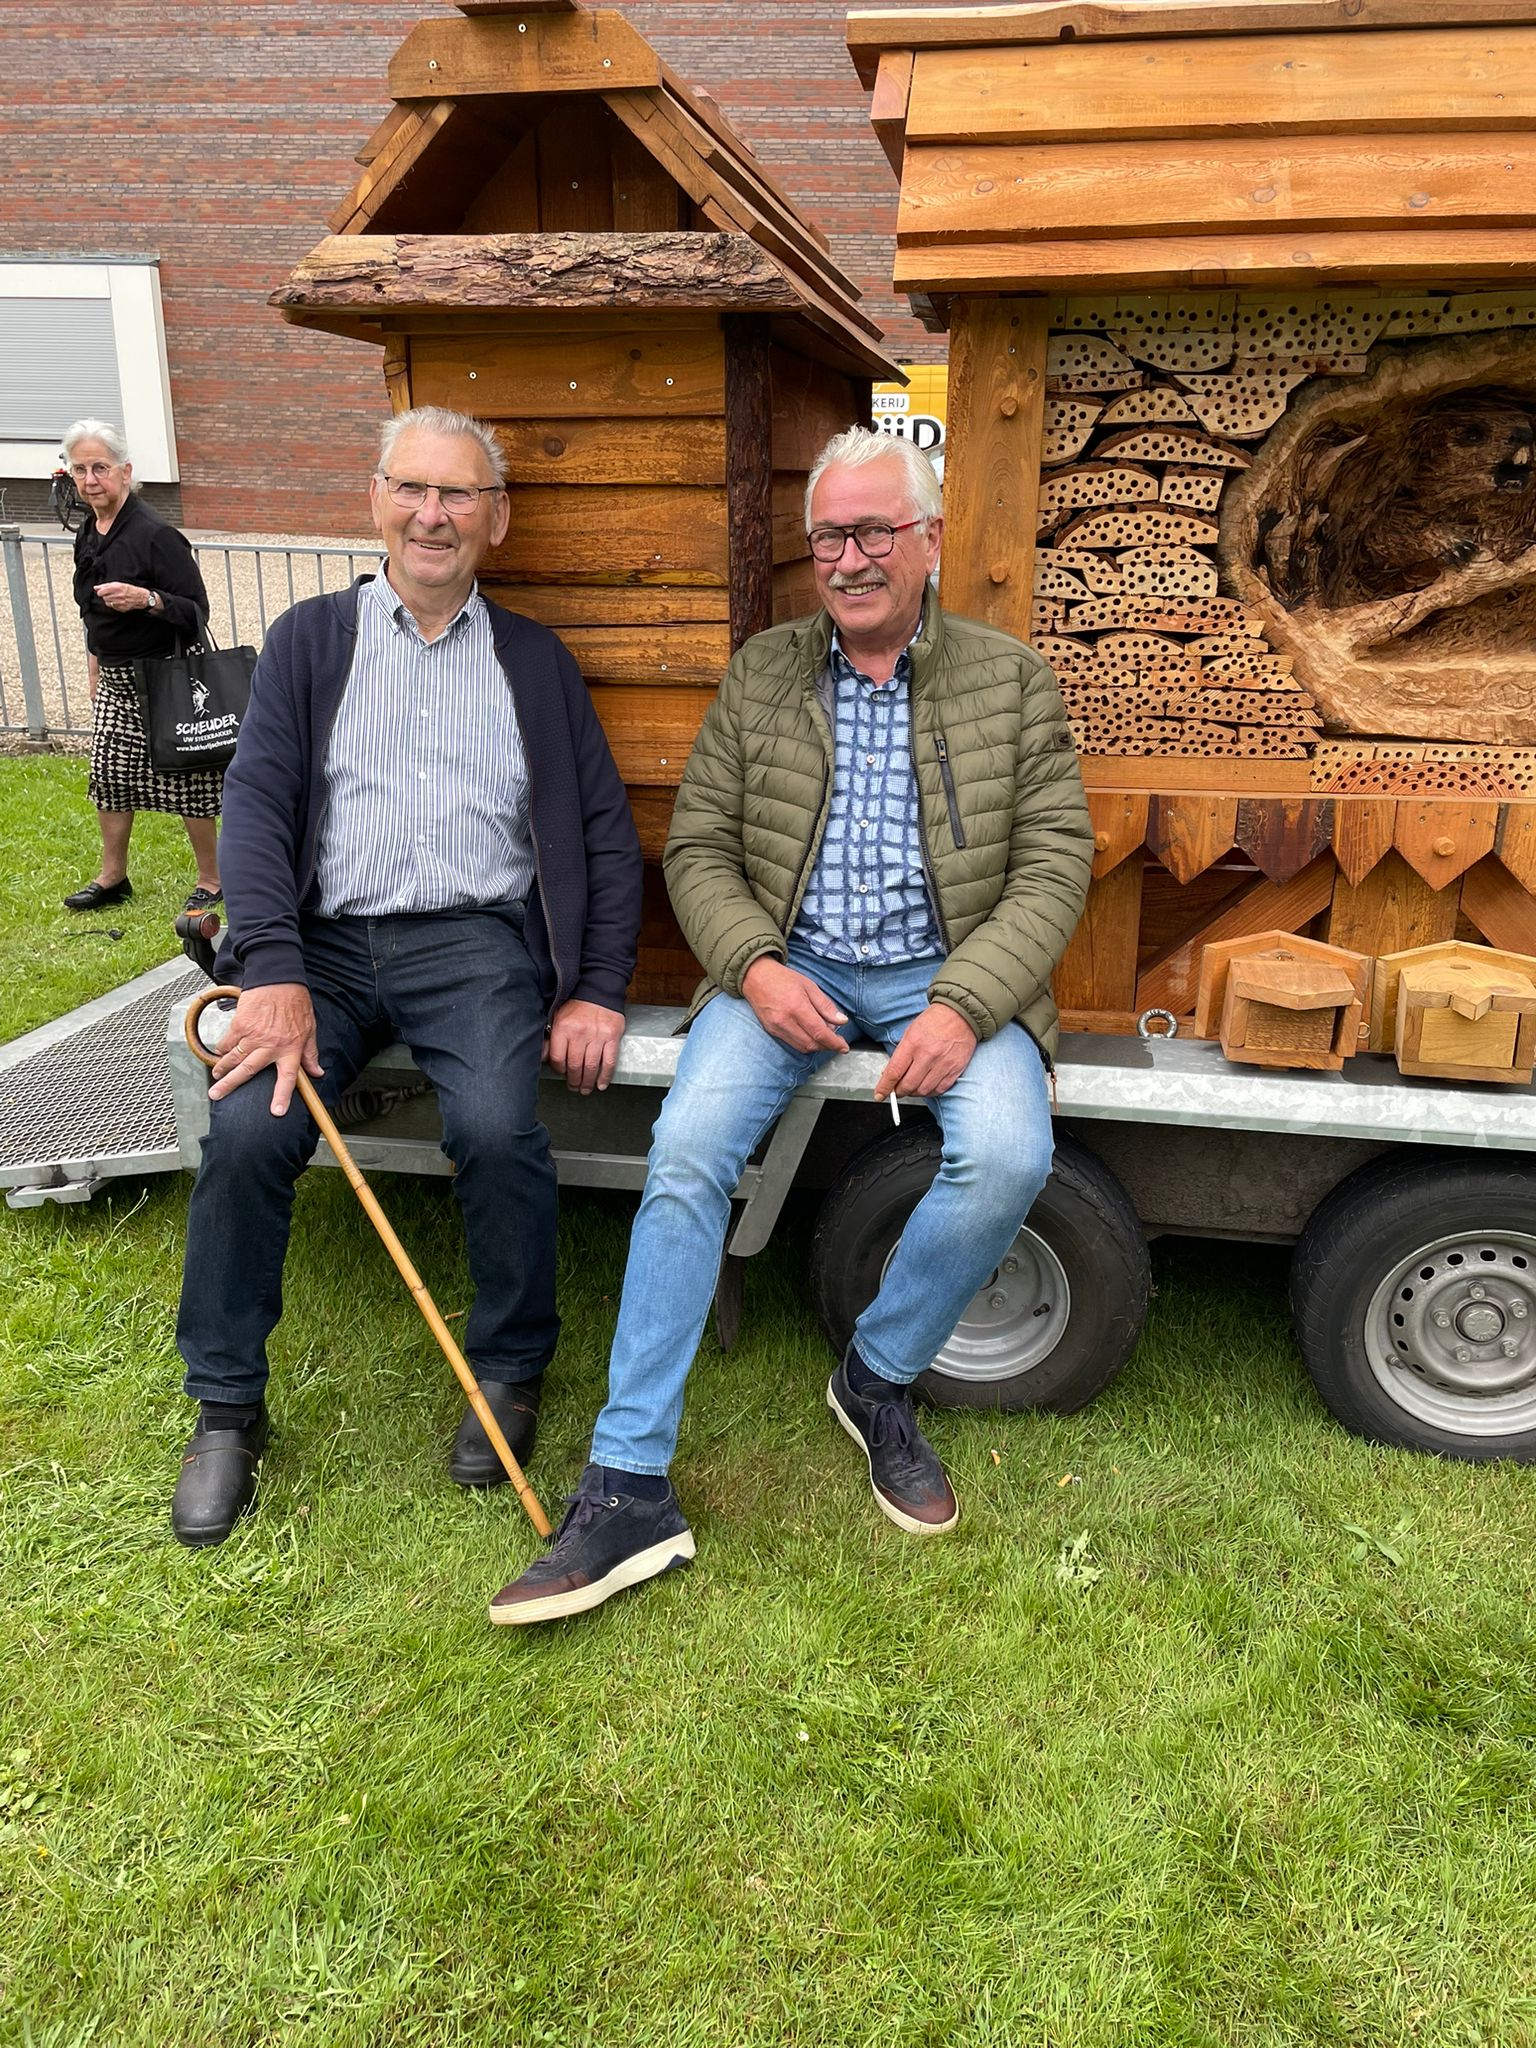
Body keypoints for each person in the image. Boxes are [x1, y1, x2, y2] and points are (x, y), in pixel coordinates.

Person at [490, 427, 1094, 1626]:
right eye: (829, 537)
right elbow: (701, 848)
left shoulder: (1010, 679)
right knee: (685, 1155)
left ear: (928, 540)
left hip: (948, 972)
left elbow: (1053, 864)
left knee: (1008, 1153)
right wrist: (755, 968)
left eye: (874, 532)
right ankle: (627, 1481)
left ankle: (876, 1375)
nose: (850, 558)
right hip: (787, 970)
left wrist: (968, 1002)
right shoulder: (763, 671)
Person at [169, 405, 643, 1547]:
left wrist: (597, 986)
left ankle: (509, 1371)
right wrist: (271, 966)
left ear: (496, 517)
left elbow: (604, 833)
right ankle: (227, 1407)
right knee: (247, 1131)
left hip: (473, 943)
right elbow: (257, 806)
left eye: (459, 494)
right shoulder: (309, 639)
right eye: (414, 489)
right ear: (376, 499)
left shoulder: (534, 661)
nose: (434, 515)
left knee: (496, 1128)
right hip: (323, 945)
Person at [62, 419, 223, 914]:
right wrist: (94, 668)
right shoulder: (89, 531)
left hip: (164, 676)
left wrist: (147, 599)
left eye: (101, 468)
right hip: (115, 678)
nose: (91, 479)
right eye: (80, 469)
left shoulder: (155, 535)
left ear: (125, 472)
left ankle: (213, 879)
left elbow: (197, 611)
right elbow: (90, 610)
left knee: (188, 780)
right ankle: (113, 877)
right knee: (109, 776)